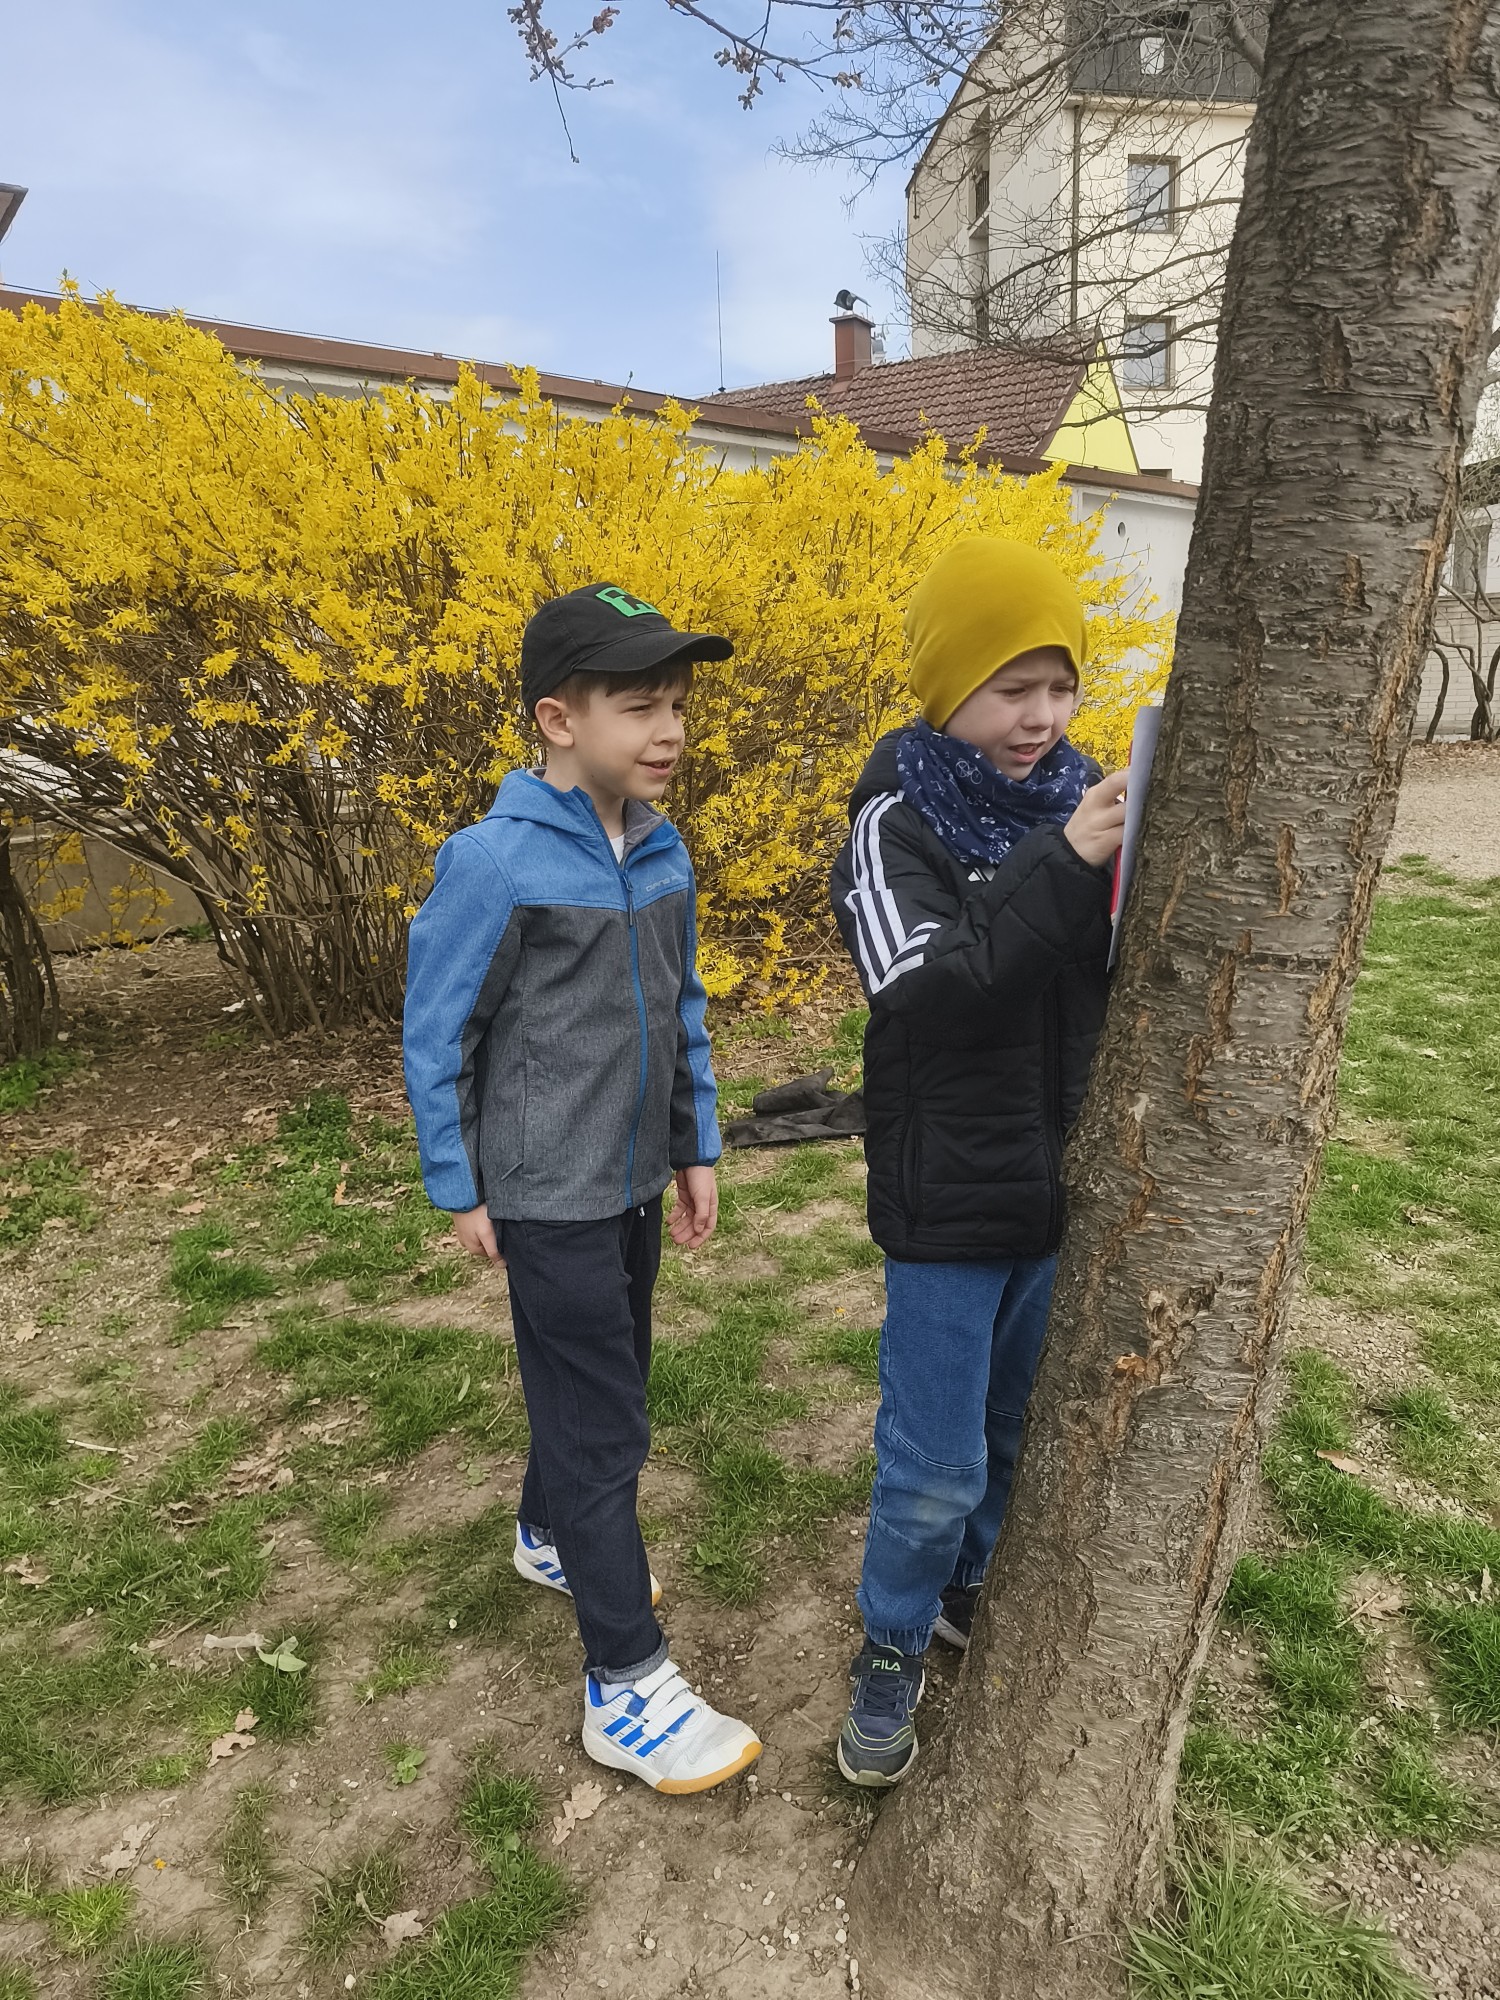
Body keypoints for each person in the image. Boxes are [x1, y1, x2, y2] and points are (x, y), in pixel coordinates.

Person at [403, 582, 762, 1795]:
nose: (671, 729)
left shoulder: (662, 849)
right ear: (559, 718)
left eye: (678, 705)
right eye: (640, 706)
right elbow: (438, 1031)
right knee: (603, 1421)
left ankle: (548, 1530)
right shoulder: (493, 862)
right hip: (544, 1194)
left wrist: (694, 1143)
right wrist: (459, 1182)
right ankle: (627, 1682)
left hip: (632, 1182)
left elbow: (682, 1006)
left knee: (603, 1377)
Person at [828, 536, 1128, 1786]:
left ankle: (965, 1590)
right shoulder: (894, 820)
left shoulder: (1089, 795)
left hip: (1058, 1189)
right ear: (948, 685)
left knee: (1011, 1429)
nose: (1042, 718)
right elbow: (929, 990)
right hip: (949, 1200)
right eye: (1012, 688)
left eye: (1061, 686)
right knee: (932, 1463)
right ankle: (891, 1643)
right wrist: (1066, 866)